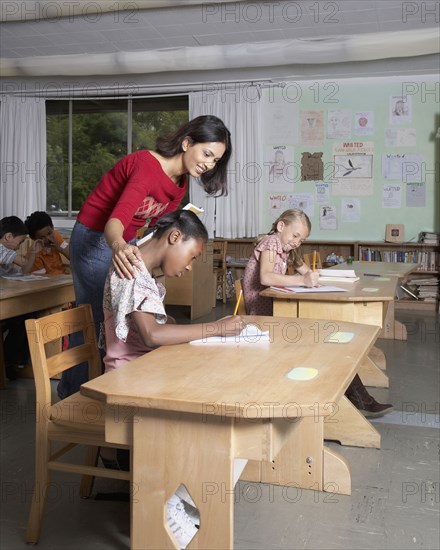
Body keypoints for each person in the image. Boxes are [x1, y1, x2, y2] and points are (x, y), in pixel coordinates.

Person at [58, 115, 232, 399]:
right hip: (97, 236)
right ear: (187, 143)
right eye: (207, 154)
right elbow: (115, 221)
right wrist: (120, 247)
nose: (209, 164)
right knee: (94, 320)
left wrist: (144, 262)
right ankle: (74, 394)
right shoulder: (146, 167)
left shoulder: (180, 184)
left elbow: (159, 232)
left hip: (125, 239)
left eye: (216, 160)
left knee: (119, 321)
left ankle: (107, 386)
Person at [101, 209, 245, 548]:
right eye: (193, 256)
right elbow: (151, 334)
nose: (190, 266)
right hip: (128, 383)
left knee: (223, 398)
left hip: (147, 373)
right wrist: (216, 328)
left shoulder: (145, 271)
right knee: (214, 414)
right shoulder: (131, 268)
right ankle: (170, 506)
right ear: (174, 237)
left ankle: (188, 496)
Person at [242, 208, 393, 418]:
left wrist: (315, 276)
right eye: (295, 236)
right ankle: (357, 398)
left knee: (328, 338)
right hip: (264, 318)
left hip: (278, 311)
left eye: (301, 239)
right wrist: (301, 280)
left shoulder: (287, 249)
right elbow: (267, 277)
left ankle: (359, 397)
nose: (297, 242)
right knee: (325, 340)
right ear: (280, 226)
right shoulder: (271, 243)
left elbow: (308, 273)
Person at [0, 216, 43, 380]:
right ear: (8, 237)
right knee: (25, 318)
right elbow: (24, 263)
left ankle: (14, 362)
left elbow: (24, 272)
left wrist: (32, 253)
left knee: (28, 315)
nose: (19, 246)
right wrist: (32, 251)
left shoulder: (6, 255)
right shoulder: (1, 249)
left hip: (5, 299)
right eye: (20, 241)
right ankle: (11, 362)